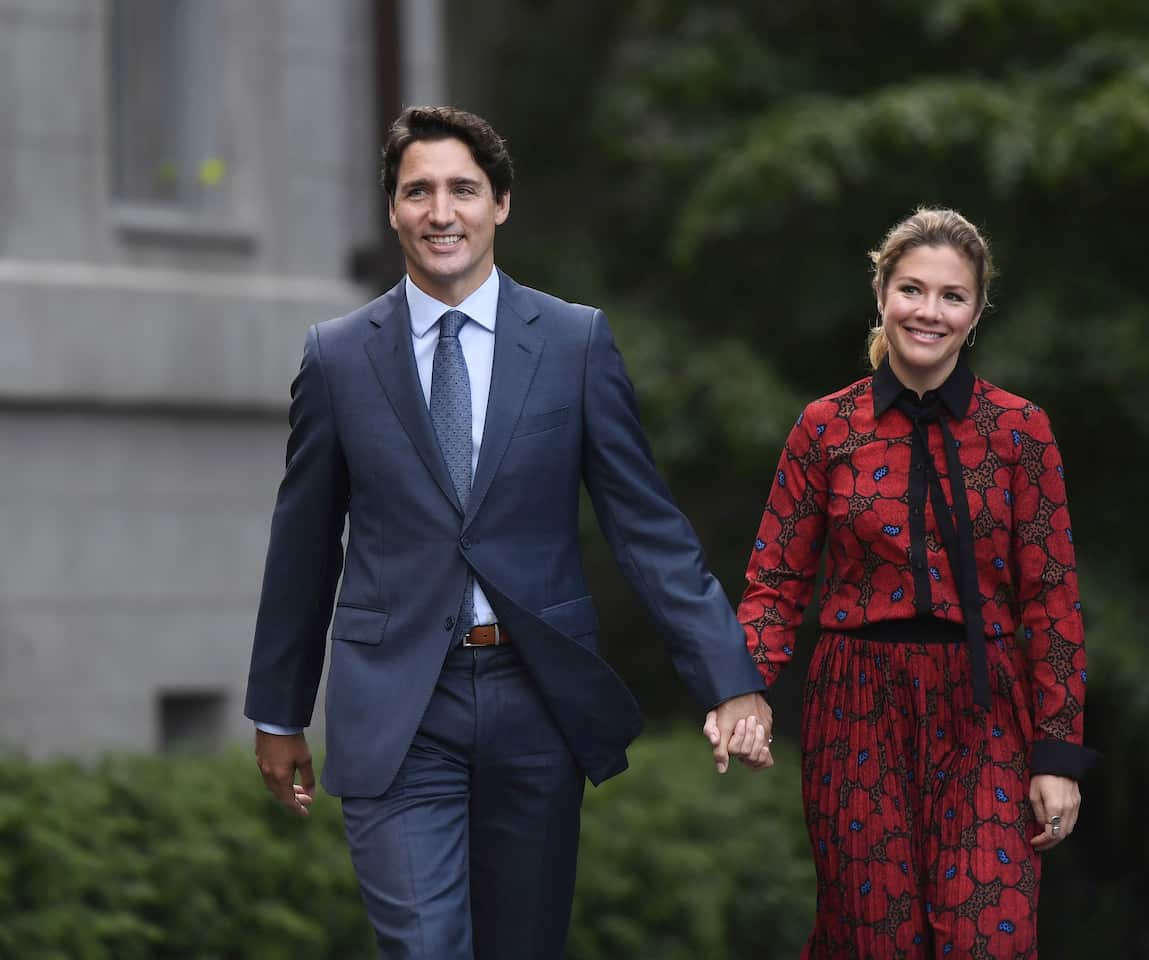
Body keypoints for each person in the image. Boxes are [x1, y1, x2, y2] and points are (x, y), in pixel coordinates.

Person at [244, 105, 772, 960]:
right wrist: (279, 709)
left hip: (537, 697)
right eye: (418, 191)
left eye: (463, 189)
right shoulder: (339, 356)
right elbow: (302, 544)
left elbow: (647, 529)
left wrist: (728, 677)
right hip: (398, 704)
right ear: (392, 208)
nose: (441, 212)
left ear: (502, 204)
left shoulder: (574, 343)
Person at [734, 208, 1096, 958]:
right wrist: (745, 687)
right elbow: (775, 579)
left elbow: (1053, 600)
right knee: (876, 941)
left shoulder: (1020, 430)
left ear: (975, 313)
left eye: (951, 296)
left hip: (988, 706)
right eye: (911, 289)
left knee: (986, 938)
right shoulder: (825, 427)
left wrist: (1058, 754)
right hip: (857, 705)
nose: (928, 311)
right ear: (881, 293)